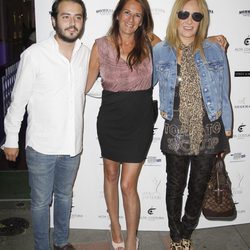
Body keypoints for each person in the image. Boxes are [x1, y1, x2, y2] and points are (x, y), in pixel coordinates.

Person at [3, 0, 89, 249]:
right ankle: (42, 247)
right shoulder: (34, 55)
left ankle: (61, 243)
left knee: (64, 197)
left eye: (78, 17)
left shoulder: (86, 53)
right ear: (53, 20)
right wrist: (10, 139)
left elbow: (88, 89)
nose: (72, 23)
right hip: (41, 146)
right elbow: (17, 101)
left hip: (72, 145)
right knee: (40, 203)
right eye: (66, 17)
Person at [153, 0, 232, 249]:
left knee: (197, 188)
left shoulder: (214, 49)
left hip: (209, 128)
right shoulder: (161, 51)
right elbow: (142, 83)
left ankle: (187, 233)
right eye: (184, 14)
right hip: (176, 127)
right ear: (175, 16)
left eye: (196, 16)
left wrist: (226, 128)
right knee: (175, 186)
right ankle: (175, 236)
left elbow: (223, 93)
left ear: (202, 20)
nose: (189, 21)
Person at [85, 0, 161, 249]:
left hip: (139, 120)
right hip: (111, 119)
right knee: (110, 174)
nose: (131, 19)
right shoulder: (101, 46)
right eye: (127, 12)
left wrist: (210, 40)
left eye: (137, 15)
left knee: (129, 185)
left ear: (143, 20)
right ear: (117, 15)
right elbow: (82, 87)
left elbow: (183, 47)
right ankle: (115, 227)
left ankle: (131, 238)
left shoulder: (152, 42)